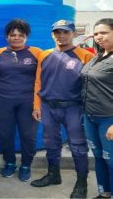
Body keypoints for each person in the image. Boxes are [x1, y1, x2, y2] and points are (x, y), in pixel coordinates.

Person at [30, 20, 94, 199]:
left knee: (78, 146)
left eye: (66, 32)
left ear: (73, 34)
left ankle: (81, 183)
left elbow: (90, 84)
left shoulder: (85, 56)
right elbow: (38, 82)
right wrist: (36, 106)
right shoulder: (45, 55)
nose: (61, 36)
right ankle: (53, 175)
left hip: (73, 108)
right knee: (51, 143)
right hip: (48, 107)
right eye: (57, 32)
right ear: (52, 34)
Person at [0, 19, 41, 182]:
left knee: (28, 135)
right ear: (6, 36)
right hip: (3, 101)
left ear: (26, 37)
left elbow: (43, 79)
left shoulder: (37, 53)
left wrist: (38, 105)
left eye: (20, 35)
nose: (16, 38)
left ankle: (26, 165)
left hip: (28, 103)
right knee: (5, 134)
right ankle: (10, 163)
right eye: (13, 35)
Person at [81, 18, 113, 198]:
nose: (99, 37)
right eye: (96, 33)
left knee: (112, 161)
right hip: (90, 116)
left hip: (109, 119)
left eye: (104, 32)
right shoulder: (98, 56)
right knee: (99, 158)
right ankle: (105, 193)